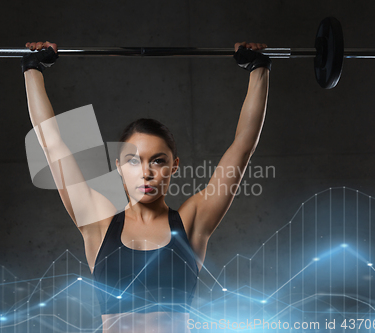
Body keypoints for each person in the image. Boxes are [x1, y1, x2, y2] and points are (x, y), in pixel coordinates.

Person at [22, 40, 270, 332]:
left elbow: (242, 147)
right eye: (133, 161)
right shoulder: (99, 223)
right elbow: (52, 145)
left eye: (158, 161)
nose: (146, 173)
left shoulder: (191, 222)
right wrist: (32, 68)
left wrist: (259, 68)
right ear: (118, 167)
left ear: (173, 166)